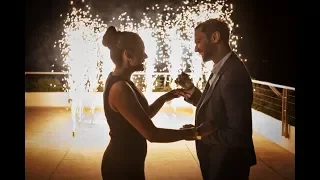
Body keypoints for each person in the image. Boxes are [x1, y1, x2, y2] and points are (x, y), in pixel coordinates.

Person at [100, 26, 196, 180]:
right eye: (141, 51)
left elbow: (145, 115)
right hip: (121, 166)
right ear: (128, 55)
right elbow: (151, 134)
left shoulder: (125, 82)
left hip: (129, 162)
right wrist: (193, 133)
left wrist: (165, 97)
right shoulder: (120, 88)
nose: (145, 56)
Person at [176, 19, 257, 180]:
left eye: (198, 41)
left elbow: (238, 135)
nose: (195, 48)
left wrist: (197, 134)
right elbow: (217, 108)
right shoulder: (223, 67)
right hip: (219, 161)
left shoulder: (233, 74)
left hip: (227, 165)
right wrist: (192, 90)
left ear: (215, 38)